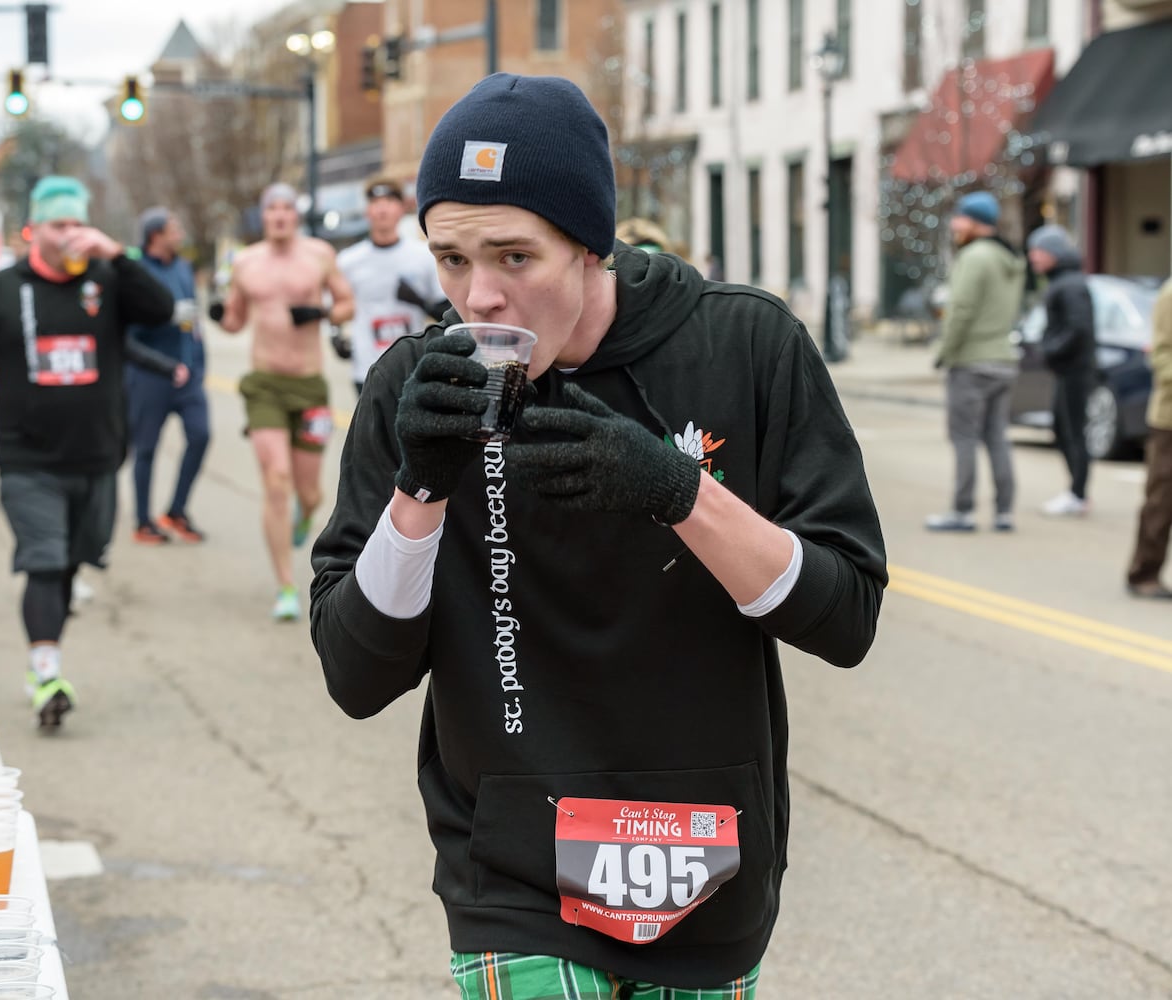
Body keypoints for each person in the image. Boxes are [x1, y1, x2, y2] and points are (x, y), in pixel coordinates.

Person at [310, 74, 886, 998]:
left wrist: (676, 490)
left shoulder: (746, 345)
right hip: (512, 864)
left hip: (703, 854)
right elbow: (355, 675)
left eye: (514, 257)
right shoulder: (414, 384)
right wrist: (421, 488)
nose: (481, 296)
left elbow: (845, 617)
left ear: (591, 246)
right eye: (451, 259)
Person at [0, 176, 181, 729]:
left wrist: (116, 255)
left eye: (77, 223)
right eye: (59, 225)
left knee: (73, 561)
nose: (70, 234)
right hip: (29, 461)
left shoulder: (106, 278)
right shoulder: (1, 290)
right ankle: (45, 670)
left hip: (98, 456)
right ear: (33, 229)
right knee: (45, 562)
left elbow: (162, 309)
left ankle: (45, 658)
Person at [209, 182, 356, 621]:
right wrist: (220, 315)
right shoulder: (246, 262)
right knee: (276, 480)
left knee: (310, 492)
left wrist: (325, 314)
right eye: (271, 208)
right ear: (263, 215)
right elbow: (235, 321)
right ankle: (286, 586)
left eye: (286, 209)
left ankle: (302, 516)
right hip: (264, 385)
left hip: (309, 386)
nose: (278, 216)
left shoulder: (318, 255)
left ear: (295, 215)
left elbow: (347, 302)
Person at [925, 191, 1025, 532]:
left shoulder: (974, 257)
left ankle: (963, 511)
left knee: (964, 437)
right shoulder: (1010, 257)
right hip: (1004, 359)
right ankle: (1004, 511)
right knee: (997, 436)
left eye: (960, 217)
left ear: (976, 222)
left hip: (972, 361)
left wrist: (944, 352)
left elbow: (961, 310)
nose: (955, 224)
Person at [125, 207, 210, 545]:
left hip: (188, 375)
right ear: (155, 235)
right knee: (146, 449)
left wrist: (199, 363)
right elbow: (128, 327)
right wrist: (166, 316)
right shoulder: (135, 272)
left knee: (201, 435)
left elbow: (195, 321)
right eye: (173, 228)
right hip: (149, 375)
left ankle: (176, 510)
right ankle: (143, 521)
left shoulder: (183, 267)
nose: (180, 233)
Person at [336, 177, 446, 397]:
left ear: (401, 208)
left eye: (389, 201)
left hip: (413, 365)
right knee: (371, 431)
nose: (382, 209)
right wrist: (334, 336)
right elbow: (335, 306)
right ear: (367, 210)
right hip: (367, 366)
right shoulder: (348, 260)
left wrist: (419, 301)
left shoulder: (424, 255)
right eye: (375, 203)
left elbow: (446, 311)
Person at [1026, 224, 1096, 517]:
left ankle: (1078, 495)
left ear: (1054, 253)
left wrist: (1048, 348)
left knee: (1073, 432)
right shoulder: (1061, 282)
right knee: (1061, 427)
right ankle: (1075, 492)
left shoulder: (1070, 285)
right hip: (1067, 369)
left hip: (1075, 371)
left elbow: (1078, 329)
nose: (1033, 258)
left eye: (1039, 252)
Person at [1127, 277, 1172, 599]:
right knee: (1161, 498)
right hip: (1169, 419)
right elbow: (1161, 355)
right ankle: (1144, 573)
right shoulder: (1170, 295)